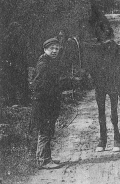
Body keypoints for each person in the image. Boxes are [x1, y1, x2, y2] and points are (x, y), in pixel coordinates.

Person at [31, 37, 72, 169]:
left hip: (49, 102)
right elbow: (40, 85)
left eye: (57, 48)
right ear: (45, 49)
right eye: (51, 48)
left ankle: (46, 158)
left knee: (48, 130)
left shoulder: (50, 62)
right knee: (44, 130)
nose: (54, 51)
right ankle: (43, 160)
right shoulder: (43, 64)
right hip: (43, 103)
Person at [1, 22, 29, 106]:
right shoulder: (7, 39)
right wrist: (8, 62)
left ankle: (23, 101)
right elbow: (5, 53)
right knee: (11, 83)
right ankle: (12, 101)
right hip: (11, 64)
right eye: (17, 29)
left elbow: (23, 52)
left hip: (19, 64)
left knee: (21, 82)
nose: (19, 31)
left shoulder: (20, 38)